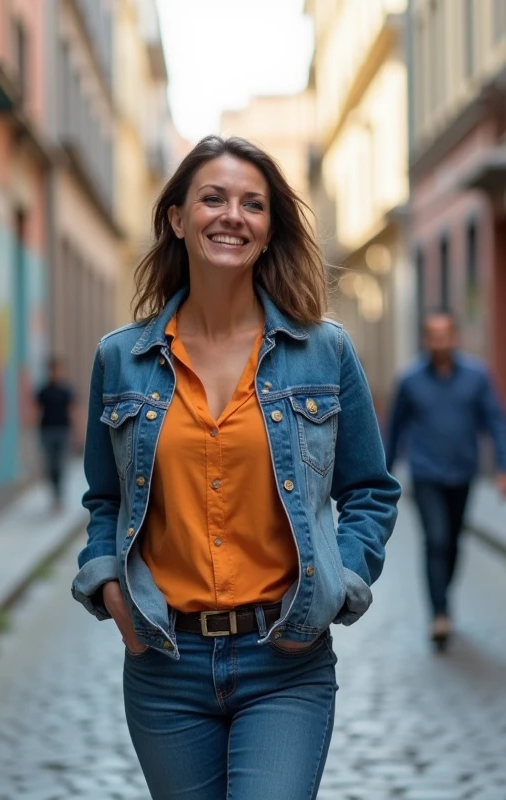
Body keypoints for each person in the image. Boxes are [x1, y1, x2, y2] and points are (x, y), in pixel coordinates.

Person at [71, 135, 400, 799]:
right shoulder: (121, 360)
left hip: (285, 658)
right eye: (213, 198)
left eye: (253, 204)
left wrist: (344, 577)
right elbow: (105, 500)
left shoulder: (323, 352)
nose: (232, 215)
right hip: (166, 661)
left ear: (270, 227)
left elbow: (368, 490)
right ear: (176, 218)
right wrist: (109, 584)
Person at [386, 310, 506, 650]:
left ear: (454, 337)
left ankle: (444, 597)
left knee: (454, 542)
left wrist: (505, 467)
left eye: (445, 334)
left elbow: (496, 421)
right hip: (426, 473)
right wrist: (381, 476)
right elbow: (393, 429)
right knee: (436, 539)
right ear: (426, 339)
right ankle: (439, 613)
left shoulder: (476, 376)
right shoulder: (410, 379)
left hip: (463, 472)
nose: (440, 341)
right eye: (433, 335)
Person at [36, 357, 73, 511]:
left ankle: (59, 496)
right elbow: (36, 411)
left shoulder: (66, 390)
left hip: (63, 430)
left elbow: (72, 410)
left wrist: (78, 433)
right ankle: (54, 495)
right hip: (47, 431)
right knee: (51, 465)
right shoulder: (43, 391)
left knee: (59, 464)